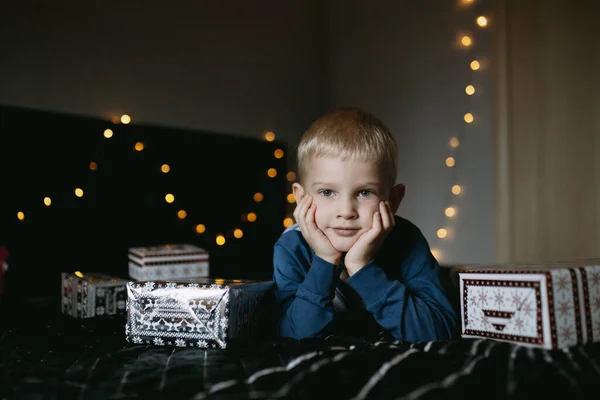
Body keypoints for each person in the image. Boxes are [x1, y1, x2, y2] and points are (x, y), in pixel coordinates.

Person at [272, 106, 457, 343]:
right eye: (327, 192)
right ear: (300, 198)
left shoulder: (408, 241)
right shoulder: (291, 247)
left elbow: (439, 335)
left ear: (393, 200)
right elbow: (290, 337)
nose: (346, 212)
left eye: (364, 192)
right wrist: (325, 262)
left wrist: (362, 267)